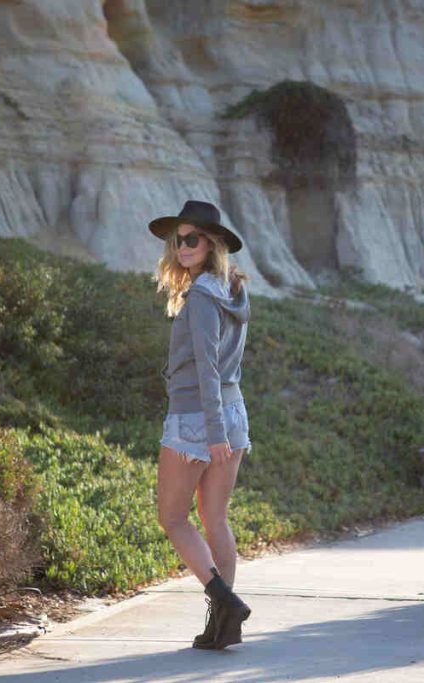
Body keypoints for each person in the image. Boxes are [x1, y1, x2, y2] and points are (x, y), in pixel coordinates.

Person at [149, 199, 253, 650]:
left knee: (172, 518)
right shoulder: (232, 291)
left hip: (199, 417)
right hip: (233, 412)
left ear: (211, 244)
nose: (183, 245)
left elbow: (208, 369)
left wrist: (212, 435)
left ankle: (223, 600)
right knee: (214, 518)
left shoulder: (203, 298)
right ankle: (222, 627)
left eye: (193, 238)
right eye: (179, 238)